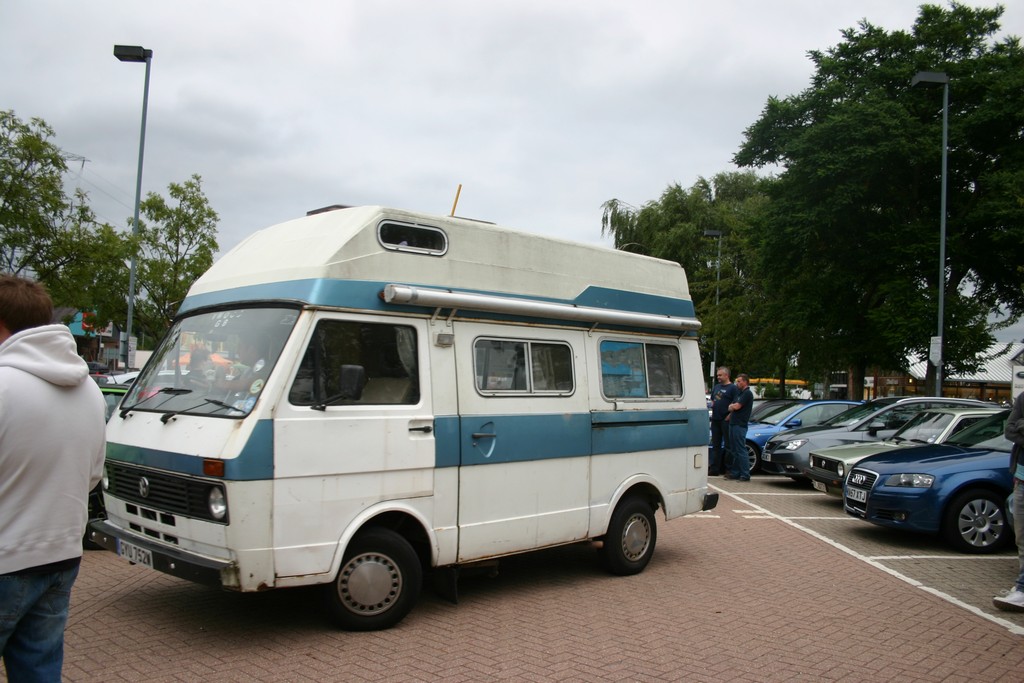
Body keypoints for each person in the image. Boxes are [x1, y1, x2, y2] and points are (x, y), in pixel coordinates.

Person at [0, 275, 107, 681]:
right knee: (39, 670)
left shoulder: (4, 385)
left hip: (6, 556)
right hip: (60, 556)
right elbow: (93, 475)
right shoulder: (89, 391)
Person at [993, 390, 1024, 612]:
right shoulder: (1023, 399)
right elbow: (1010, 430)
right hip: (1022, 480)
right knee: (1022, 539)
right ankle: (1022, 590)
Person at [708, 367, 738, 476]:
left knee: (728, 446)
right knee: (716, 445)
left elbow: (736, 405)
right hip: (715, 420)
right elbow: (713, 401)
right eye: (717, 375)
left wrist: (730, 416)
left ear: (726, 375)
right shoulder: (717, 387)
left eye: (720, 375)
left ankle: (728, 469)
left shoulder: (733, 388)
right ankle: (714, 469)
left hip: (725, 420)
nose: (718, 377)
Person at [725, 373, 754, 481]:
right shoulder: (739, 393)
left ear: (745, 382)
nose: (737, 383)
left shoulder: (747, 394)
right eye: (737, 381)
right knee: (734, 449)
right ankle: (735, 472)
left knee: (740, 449)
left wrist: (733, 407)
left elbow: (736, 406)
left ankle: (745, 474)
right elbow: (730, 407)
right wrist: (732, 407)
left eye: (739, 381)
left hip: (740, 425)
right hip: (733, 423)